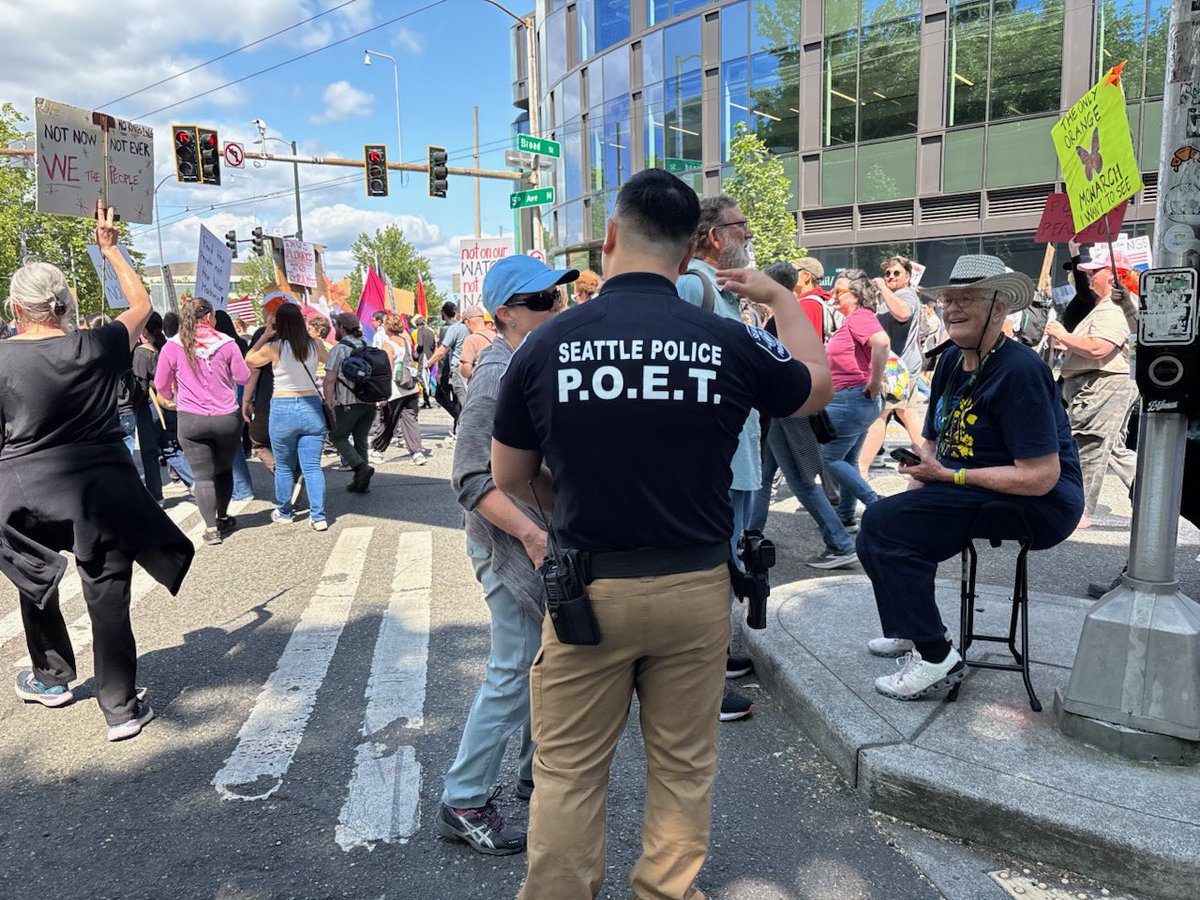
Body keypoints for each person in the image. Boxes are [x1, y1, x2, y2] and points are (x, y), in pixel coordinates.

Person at [490, 168, 832, 900]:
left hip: (589, 590)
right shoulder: (728, 338)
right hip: (694, 587)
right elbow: (816, 385)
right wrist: (780, 298)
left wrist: (564, 494)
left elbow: (508, 474)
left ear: (610, 238)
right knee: (682, 765)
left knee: (569, 770)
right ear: (689, 254)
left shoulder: (545, 346)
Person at [0, 201, 192, 741]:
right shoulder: (96, 344)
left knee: (35, 582)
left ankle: (52, 678)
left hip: (25, 490)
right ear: (65, 303)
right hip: (101, 490)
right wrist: (110, 248)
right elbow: (142, 304)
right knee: (108, 594)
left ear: (16, 308)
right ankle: (121, 709)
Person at [857, 255, 1084, 699]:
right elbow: (931, 445)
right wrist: (918, 487)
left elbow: (1041, 476)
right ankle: (914, 625)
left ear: (998, 308)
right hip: (969, 483)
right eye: (949, 300)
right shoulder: (948, 361)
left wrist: (949, 476)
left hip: (1039, 503)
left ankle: (935, 657)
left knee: (885, 526)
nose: (953, 309)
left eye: (967, 299)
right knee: (883, 523)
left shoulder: (1020, 370)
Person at [436, 255, 572, 856]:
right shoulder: (497, 373)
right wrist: (535, 537)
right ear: (505, 314)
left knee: (539, 662)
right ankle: (463, 799)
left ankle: (532, 774)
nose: (556, 308)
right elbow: (470, 478)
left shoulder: (528, 359)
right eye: (541, 301)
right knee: (515, 669)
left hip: (529, 538)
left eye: (558, 297)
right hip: (509, 544)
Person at [676, 194, 763, 721]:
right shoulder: (695, 286)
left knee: (727, 559)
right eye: (740, 225)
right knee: (711, 566)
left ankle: (717, 655)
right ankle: (701, 682)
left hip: (736, 453)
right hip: (717, 458)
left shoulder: (724, 290)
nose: (747, 234)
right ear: (713, 236)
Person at [751, 262, 858, 569]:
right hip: (784, 409)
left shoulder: (786, 317)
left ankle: (839, 544)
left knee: (799, 481)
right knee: (764, 476)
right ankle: (751, 535)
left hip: (786, 410)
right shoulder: (789, 314)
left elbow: (787, 364)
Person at [1046, 251, 1138, 529]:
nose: (1088, 276)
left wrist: (1063, 335)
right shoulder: (1109, 305)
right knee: (1113, 449)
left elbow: (1099, 348)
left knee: (1089, 446)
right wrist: (1068, 342)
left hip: (1102, 384)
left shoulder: (1113, 307)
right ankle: (1154, 493)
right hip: (1101, 383)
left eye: (1094, 271)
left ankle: (1079, 510)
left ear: (1113, 275)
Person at [155, 298, 251, 546]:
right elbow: (243, 376)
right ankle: (223, 517)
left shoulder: (173, 345)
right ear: (208, 317)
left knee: (202, 476)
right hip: (226, 417)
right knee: (224, 470)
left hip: (191, 418)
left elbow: (161, 384)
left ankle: (211, 529)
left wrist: (171, 396)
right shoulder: (227, 343)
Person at [246, 303, 331, 530]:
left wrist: (265, 334)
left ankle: (285, 512)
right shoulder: (315, 344)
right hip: (311, 405)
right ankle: (318, 517)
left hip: (283, 407)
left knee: (284, 466)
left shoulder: (274, 347)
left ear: (279, 323)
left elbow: (249, 360)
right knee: (312, 467)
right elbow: (329, 360)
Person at [822, 270, 890, 532]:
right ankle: (846, 516)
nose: (833, 295)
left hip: (851, 398)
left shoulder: (859, 317)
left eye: (839, 291)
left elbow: (882, 343)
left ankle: (876, 505)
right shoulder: (856, 318)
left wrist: (875, 381)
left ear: (856, 294)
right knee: (848, 460)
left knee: (828, 458)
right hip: (857, 400)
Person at [858, 257, 925, 476]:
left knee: (879, 416)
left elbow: (903, 314)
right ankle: (929, 459)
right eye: (887, 273)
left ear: (908, 276)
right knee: (907, 414)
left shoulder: (906, 295)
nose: (891, 277)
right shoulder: (895, 296)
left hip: (897, 371)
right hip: (901, 367)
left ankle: (861, 468)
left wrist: (882, 288)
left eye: (896, 273)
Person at [323, 313, 377, 493]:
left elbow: (329, 380)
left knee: (337, 437)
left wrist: (328, 404)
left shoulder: (338, 350)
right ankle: (361, 482)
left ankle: (361, 468)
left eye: (335, 325)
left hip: (347, 403)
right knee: (361, 440)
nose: (334, 329)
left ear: (341, 327)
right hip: (369, 401)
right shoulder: (367, 346)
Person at [213, 309, 255, 502]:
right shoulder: (240, 343)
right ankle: (241, 487)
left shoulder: (220, 346)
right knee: (233, 441)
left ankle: (241, 488)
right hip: (243, 391)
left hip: (228, 394)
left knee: (228, 444)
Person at [373, 313, 427, 465]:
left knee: (387, 421)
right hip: (410, 386)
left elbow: (387, 369)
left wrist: (382, 392)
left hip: (395, 390)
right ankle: (417, 453)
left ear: (387, 327)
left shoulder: (388, 345)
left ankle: (377, 451)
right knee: (410, 420)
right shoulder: (406, 342)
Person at [429, 301, 468, 437]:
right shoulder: (463, 327)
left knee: (440, 395)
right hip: (461, 365)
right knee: (457, 397)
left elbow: (443, 352)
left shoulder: (446, 328)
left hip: (449, 367)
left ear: (443, 313)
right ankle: (458, 425)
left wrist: (439, 372)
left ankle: (460, 419)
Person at [458, 305, 497, 384]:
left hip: (481, 385)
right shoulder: (496, 336)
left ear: (468, 322)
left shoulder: (471, 339)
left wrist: (461, 367)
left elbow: (467, 372)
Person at [413, 314, 437, 408]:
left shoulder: (420, 330)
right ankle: (426, 401)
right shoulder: (431, 331)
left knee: (420, 376)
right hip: (431, 357)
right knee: (427, 377)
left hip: (423, 357)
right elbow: (434, 345)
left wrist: (416, 353)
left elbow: (420, 344)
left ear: (417, 325)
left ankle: (428, 390)